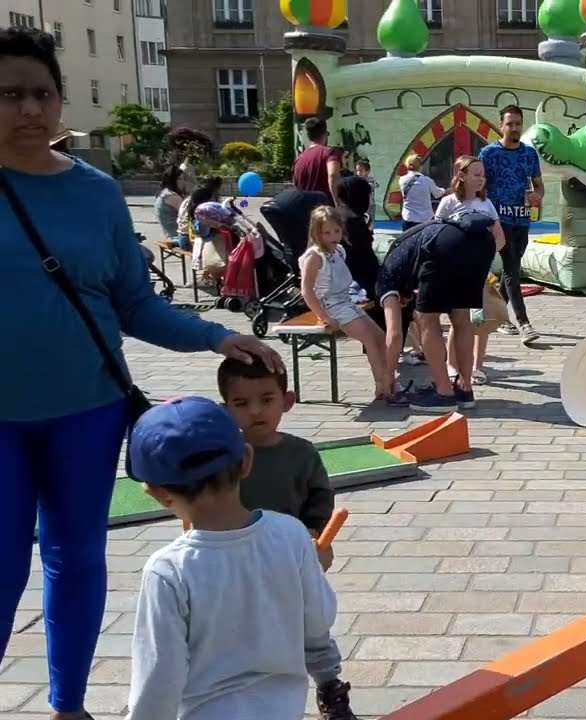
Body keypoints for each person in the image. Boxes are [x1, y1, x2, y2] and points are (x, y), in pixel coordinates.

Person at [0, 26, 283, 720]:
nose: (30, 109)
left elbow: (134, 305)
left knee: (76, 560)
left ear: (62, 102)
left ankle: (68, 706)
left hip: (87, 411)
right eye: (10, 95)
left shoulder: (95, 194)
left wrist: (219, 336)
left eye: (42, 93)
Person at [124, 397, 338, 720]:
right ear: (247, 461)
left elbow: (157, 679)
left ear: (156, 492)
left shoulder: (167, 571)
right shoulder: (291, 535)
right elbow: (319, 620)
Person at [214, 359, 359, 719]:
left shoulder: (301, 453)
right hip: (236, 562)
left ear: (287, 400)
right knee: (241, 630)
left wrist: (315, 537)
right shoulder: (222, 457)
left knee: (313, 629)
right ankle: (247, 694)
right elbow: (205, 502)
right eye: (241, 403)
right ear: (224, 408)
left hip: (295, 558)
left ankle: (331, 688)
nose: (256, 411)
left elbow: (320, 499)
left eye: (266, 399)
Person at [376, 212, 503, 409]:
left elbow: (394, 335)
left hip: (445, 246)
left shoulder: (386, 277)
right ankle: (465, 389)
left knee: (426, 318)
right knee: (461, 315)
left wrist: (387, 378)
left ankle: (443, 392)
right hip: (483, 243)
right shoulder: (405, 255)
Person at [299, 206, 400, 404]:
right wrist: (324, 316)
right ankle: (383, 385)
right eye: (326, 232)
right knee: (369, 340)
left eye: (336, 231)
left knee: (381, 338)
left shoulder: (338, 251)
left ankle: (390, 380)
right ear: (317, 233)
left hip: (346, 300)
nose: (333, 236)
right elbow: (307, 291)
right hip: (331, 306)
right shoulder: (315, 256)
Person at [435, 155, 507, 384]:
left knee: (481, 320)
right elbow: (435, 233)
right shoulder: (448, 203)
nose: (481, 179)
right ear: (461, 176)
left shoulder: (486, 205)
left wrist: (483, 256)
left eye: (482, 175)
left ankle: (478, 366)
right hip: (455, 271)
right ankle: (452, 364)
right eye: (476, 174)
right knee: (459, 319)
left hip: (480, 272)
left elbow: (500, 238)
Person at [480, 105, 544, 344]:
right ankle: (524, 322)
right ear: (501, 125)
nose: (514, 128)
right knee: (512, 268)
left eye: (518, 123)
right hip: (499, 220)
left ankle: (498, 316)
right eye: (510, 124)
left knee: (511, 269)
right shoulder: (489, 154)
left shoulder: (529, 154)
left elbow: (539, 186)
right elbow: (479, 184)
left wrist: (537, 195)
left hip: (522, 219)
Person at [292, 118, 344, 206]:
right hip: (326, 212)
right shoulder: (330, 152)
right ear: (325, 134)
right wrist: (338, 204)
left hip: (305, 212)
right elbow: (333, 175)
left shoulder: (299, 159)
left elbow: (297, 188)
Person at [398, 153, 446, 232]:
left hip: (408, 217)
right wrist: (446, 190)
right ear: (420, 166)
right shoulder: (427, 180)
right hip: (425, 219)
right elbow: (438, 194)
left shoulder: (402, 180)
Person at [153, 164, 187, 248]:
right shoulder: (172, 196)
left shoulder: (163, 193)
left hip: (170, 234)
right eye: (180, 179)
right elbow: (188, 214)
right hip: (178, 236)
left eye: (183, 179)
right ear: (172, 180)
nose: (183, 182)